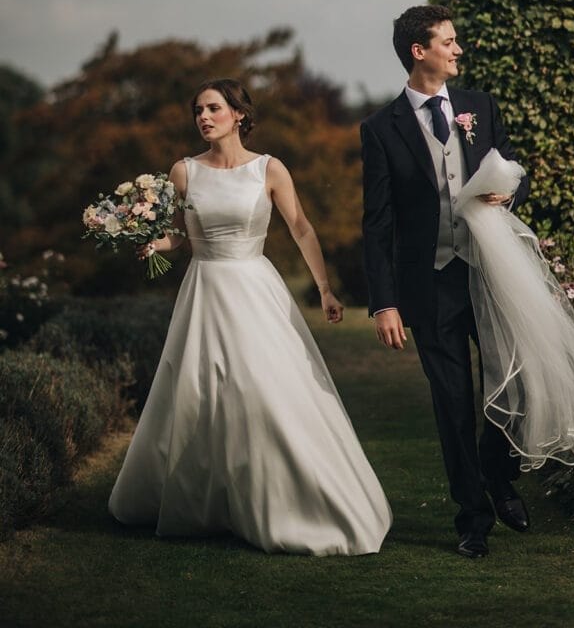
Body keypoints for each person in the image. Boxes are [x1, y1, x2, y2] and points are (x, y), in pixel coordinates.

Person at [109, 78, 392, 556]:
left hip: (254, 288)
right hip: (204, 288)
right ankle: (207, 501)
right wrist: (156, 243)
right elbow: (181, 235)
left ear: (239, 114)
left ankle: (280, 499)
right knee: (199, 391)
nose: (203, 117)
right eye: (198, 110)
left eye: (213, 108)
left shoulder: (269, 168)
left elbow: (301, 228)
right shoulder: (183, 171)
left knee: (262, 387)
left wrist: (324, 288)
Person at [360, 5, 531, 559]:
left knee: (515, 380)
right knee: (452, 401)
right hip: (429, 283)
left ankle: (498, 473)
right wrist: (384, 302)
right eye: (449, 41)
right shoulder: (380, 129)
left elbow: (514, 167)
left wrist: (510, 191)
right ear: (420, 51)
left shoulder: (480, 106)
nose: (458, 50)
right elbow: (377, 221)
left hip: (489, 271)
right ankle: (472, 518)